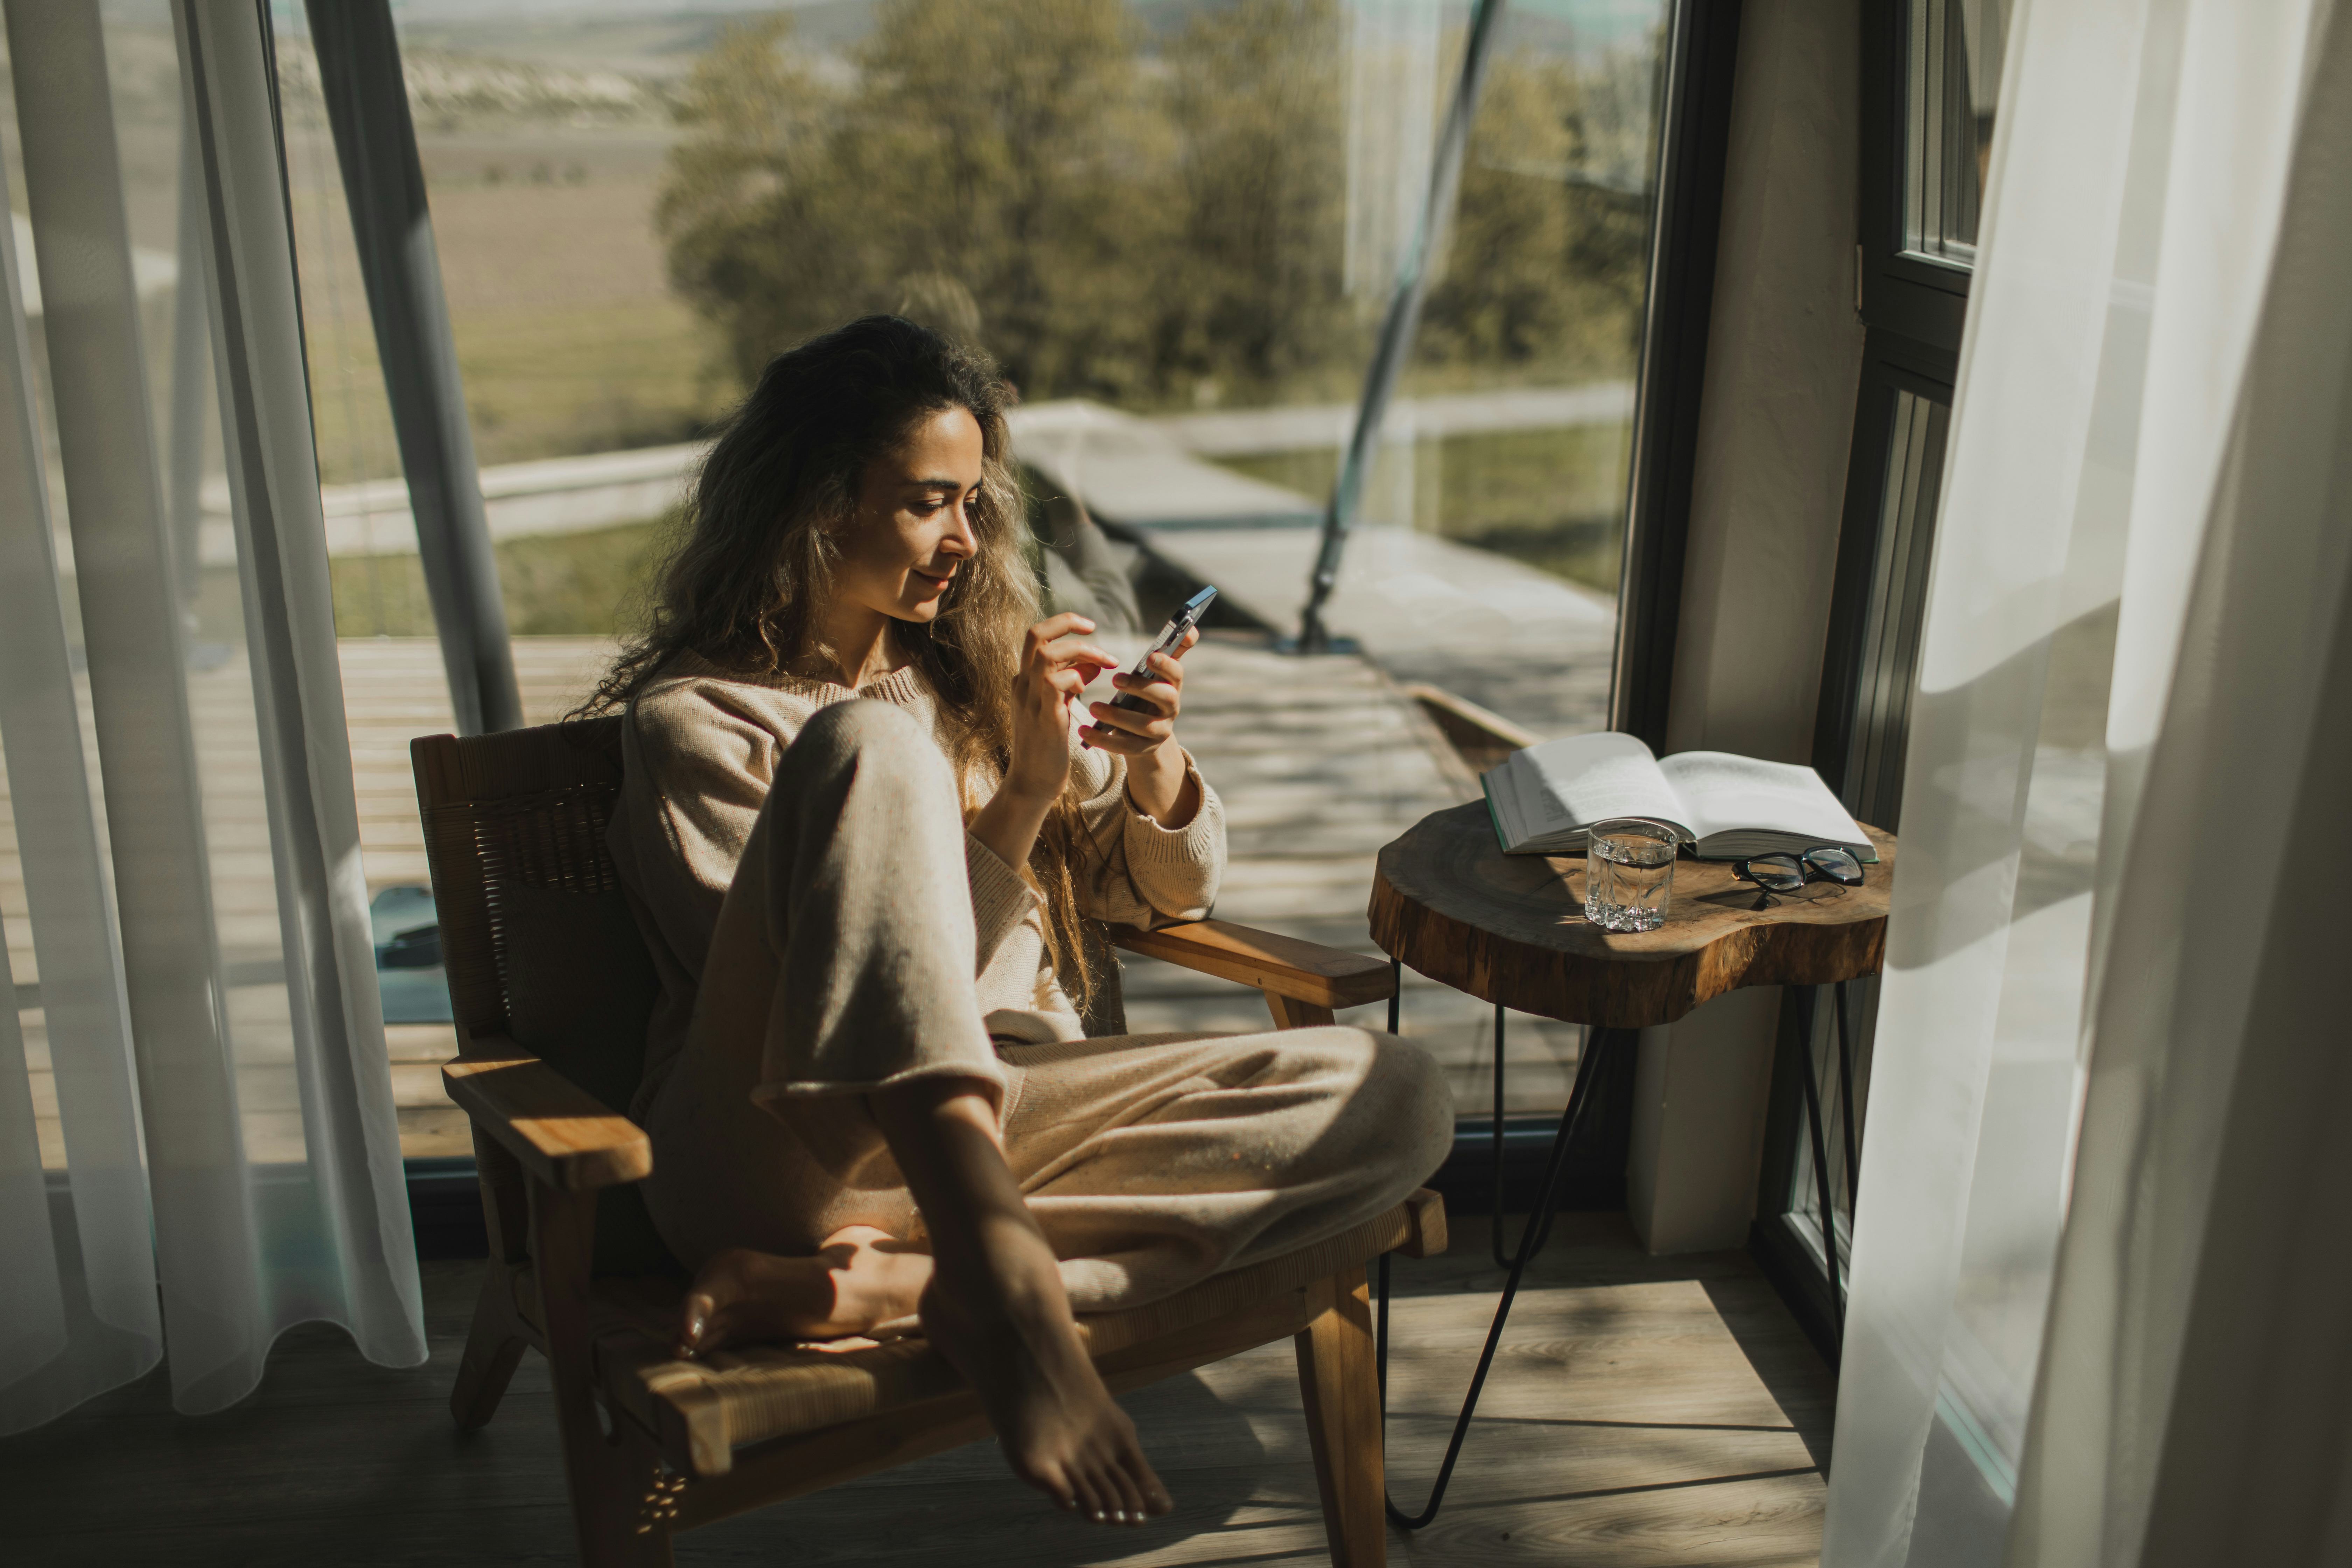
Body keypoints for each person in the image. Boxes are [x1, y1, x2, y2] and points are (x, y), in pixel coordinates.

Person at [587, 316, 1452, 1527]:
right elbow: (827, 1018)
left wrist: (1147, 769)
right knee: (868, 745)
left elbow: (1173, 895)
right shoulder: (700, 722)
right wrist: (1020, 805)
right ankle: (1007, 1285)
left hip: (1004, 1123)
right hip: (782, 1153)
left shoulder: (973, 681)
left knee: (1398, 1089)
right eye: (928, 503)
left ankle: (898, 1285)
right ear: (814, 505)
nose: (966, 540)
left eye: (977, 504)